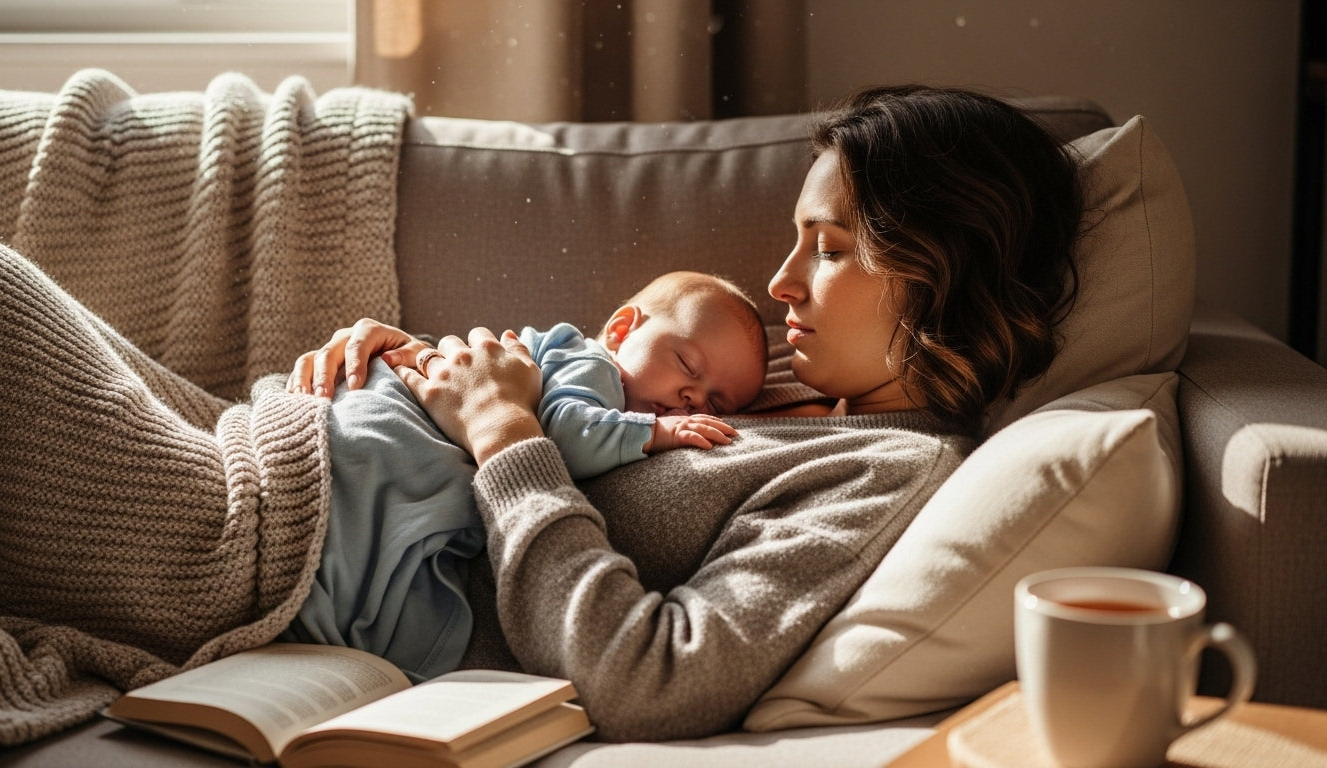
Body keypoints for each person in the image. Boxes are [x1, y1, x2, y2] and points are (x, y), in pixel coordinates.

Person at [295, 84, 1083, 740]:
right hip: (298, 442)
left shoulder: (883, 471)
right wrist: (405, 360)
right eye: (798, 240)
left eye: (832, 248)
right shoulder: (774, 366)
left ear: (946, 275)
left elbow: (653, 681)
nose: (780, 283)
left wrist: (504, 434)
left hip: (304, 557)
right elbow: (567, 374)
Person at [281, 270, 768, 680]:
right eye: (687, 364)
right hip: (364, 436)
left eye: (716, 402)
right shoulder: (592, 365)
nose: (693, 400)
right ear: (621, 331)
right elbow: (566, 436)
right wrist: (657, 431)